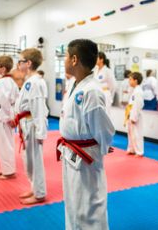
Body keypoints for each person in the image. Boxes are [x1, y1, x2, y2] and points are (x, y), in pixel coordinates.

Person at [56, 39, 115, 230]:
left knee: (90, 205)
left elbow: (104, 130)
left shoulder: (91, 91)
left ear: (74, 59)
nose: (64, 60)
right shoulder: (76, 85)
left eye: (65, 56)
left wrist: (98, 150)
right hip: (71, 152)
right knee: (73, 202)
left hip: (86, 156)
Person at [10, 48, 48, 204]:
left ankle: (40, 193)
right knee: (29, 160)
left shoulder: (36, 83)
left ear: (29, 63)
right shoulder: (29, 81)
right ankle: (34, 187)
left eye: (20, 61)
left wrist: (40, 132)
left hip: (33, 124)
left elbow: (38, 108)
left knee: (36, 160)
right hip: (26, 123)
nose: (18, 64)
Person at [0, 55, 19, 179]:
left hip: (3, 114)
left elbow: (4, 100)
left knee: (5, 143)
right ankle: (6, 167)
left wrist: (8, 117)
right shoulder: (10, 81)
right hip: (5, 113)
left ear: (3, 68)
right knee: (5, 142)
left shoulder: (1, 82)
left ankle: (9, 171)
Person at [125, 72, 144, 157]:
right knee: (130, 133)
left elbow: (138, 105)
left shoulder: (138, 91)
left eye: (130, 79)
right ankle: (132, 149)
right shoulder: (134, 90)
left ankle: (139, 151)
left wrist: (134, 117)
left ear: (136, 81)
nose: (129, 81)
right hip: (131, 112)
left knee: (137, 134)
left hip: (135, 114)